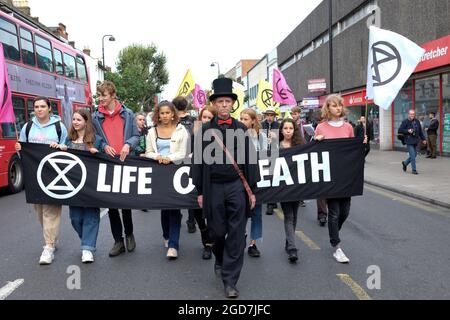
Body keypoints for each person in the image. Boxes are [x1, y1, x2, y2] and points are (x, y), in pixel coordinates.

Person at [192, 78, 258, 299]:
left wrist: (252, 191)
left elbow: (250, 160)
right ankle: (220, 259)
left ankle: (230, 280)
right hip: (213, 188)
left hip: (236, 187)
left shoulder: (241, 128)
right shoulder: (204, 131)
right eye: (220, 101)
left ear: (232, 104)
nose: (223, 105)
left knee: (237, 233)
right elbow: (198, 163)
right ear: (215, 104)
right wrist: (200, 191)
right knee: (217, 232)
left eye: (227, 101)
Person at [15, 96, 68, 265]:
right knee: (40, 211)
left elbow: (68, 148)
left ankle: (49, 247)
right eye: (36, 107)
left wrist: (60, 147)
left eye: (42, 106)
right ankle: (51, 238)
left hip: (54, 175)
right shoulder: (28, 127)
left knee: (50, 210)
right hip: (34, 176)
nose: (39, 109)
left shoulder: (60, 127)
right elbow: (23, 149)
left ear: (49, 108)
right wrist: (19, 148)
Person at [315, 94, 367, 264]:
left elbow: (353, 153)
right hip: (330, 176)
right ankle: (336, 246)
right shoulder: (321, 127)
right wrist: (316, 141)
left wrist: (363, 144)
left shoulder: (348, 127)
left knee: (345, 211)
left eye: (339, 105)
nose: (337, 108)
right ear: (327, 108)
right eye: (333, 105)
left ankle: (333, 232)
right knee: (334, 212)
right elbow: (313, 153)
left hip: (346, 176)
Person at [92, 80, 139, 257]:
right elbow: (95, 137)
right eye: (99, 95)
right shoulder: (96, 116)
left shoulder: (127, 113)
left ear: (112, 95)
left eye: (103, 95)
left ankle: (129, 234)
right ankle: (117, 241)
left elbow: (136, 135)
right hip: (107, 163)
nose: (100, 99)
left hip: (125, 162)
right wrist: (103, 145)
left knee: (125, 203)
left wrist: (128, 145)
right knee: (111, 205)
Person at [145, 101, 189, 259]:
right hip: (159, 173)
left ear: (173, 114)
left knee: (175, 207)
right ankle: (166, 235)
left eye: (167, 113)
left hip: (176, 171)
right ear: (158, 114)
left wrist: (169, 158)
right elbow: (148, 151)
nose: (164, 116)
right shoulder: (152, 132)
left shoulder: (181, 130)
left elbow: (183, 152)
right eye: (162, 113)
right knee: (164, 207)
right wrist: (157, 157)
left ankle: (173, 245)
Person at [60, 109, 103, 263]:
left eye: (79, 119)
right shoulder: (68, 140)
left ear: (86, 121)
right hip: (73, 185)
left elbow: (105, 154)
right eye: (74, 119)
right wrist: (59, 148)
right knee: (75, 218)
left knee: (91, 216)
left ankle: (87, 248)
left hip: (91, 185)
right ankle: (86, 240)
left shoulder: (96, 139)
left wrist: (97, 152)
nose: (75, 122)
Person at [188, 105, 217, 260]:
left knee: (213, 214)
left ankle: (211, 244)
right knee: (198, 213)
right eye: (203, 117)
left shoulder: (220, 135)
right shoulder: (195, 135)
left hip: (214, 180)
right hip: (198, 178)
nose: (205, 120)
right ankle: (206, 240)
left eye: (209, 118)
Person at [240, 108, 267, 258]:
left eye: (245, 119)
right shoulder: (235, 135)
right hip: (240, 179)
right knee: (241, 211)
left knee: (256, 212)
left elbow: (267, 156)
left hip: (256, 179)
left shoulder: (260, 136)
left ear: (252, 121)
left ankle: (253, 243)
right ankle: (241, 236)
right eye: (241, 119)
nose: (242, 121)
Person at [279, 118, 306, 263]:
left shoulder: (300, 145)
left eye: (291, 128)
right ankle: (292, 248)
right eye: (285, 128)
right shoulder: (277, 146)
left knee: (294, 216)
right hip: (283, 188)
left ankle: (289, 240)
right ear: (281, 130)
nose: (288, 131)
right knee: (288, 216)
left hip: (297, 187)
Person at [173, 96, 198, 234]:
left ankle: (180, 216)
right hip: (191, 157)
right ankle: (191, 220)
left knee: (175, 189)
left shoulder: (173, 121)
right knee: (191, 188)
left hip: (177, 158)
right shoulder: (195, 121)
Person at [261, 106, 280, 215]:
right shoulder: (262, 125)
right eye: (267, 115)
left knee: (275, 178)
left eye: (271, 115)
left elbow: (282, 138)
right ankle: (270, 202)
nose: (269, 117)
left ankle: (272, 202)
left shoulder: (278, 125)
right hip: (265, 153)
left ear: (274, 116)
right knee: (268, 178)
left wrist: (275, 138)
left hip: (275, 153)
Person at [399, 110, 426, 175]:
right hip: (409, 140)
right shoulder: (405, 121)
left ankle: (405, 163)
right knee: (413, 156)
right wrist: (408, 131)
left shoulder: (417, 121)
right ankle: (414, 170)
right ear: (408, 114)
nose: (412, 115)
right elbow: (400, 130)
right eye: (411, 114)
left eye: (413, 114)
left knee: (415, 154)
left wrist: (423, 139)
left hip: (416, 140)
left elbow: (420, 132)